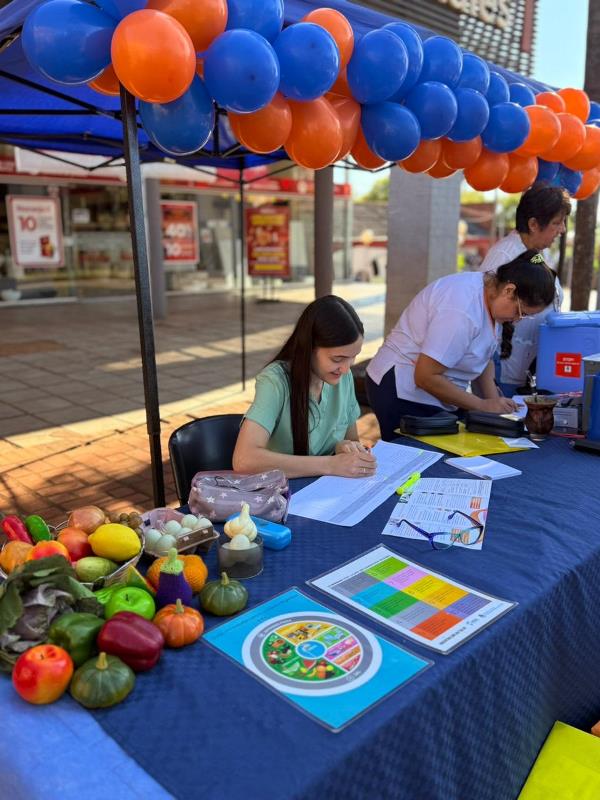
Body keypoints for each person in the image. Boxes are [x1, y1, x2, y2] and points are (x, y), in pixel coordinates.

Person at [366, 251, 557, 441]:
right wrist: (482, 405)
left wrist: (494, 404)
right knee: (422, 461)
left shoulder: (491, 293)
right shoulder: (462, 309)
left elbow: (483, 356)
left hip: (434, 391)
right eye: (520, 313)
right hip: (403, 389)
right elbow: (425, 376)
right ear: (509, 290)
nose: (516, 321)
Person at [233, 295, 377, 479]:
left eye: (353, 357)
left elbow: (351, 440)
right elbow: (244, 460)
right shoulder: (275, 381)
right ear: (309, 348)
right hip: (282, 495)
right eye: (337, 359)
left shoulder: (343, 377)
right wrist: (330, 464)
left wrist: (345, 447)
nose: (347, 368)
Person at [479, 183, 571, 396]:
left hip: (525, 372)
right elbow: (485, 318)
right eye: (557, 223)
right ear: (533, 224)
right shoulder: (504, 257)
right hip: (502, 374)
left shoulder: (537, 252)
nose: (563, 230)